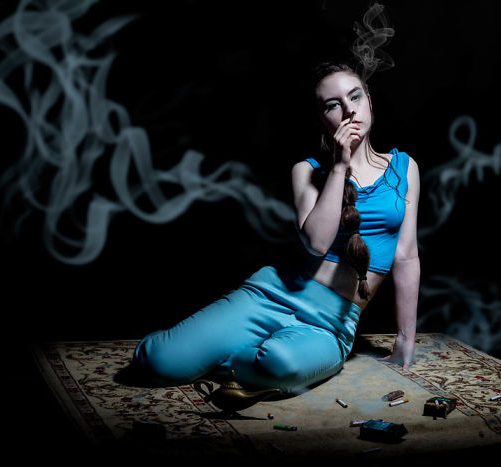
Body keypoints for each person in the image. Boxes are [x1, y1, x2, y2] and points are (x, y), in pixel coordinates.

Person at [130, 62, 421, 396]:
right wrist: (340, 166)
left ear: (369, 100)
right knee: (157, 362)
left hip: (331, 324)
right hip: (274, 295)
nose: (348, 110)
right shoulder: (306, 171)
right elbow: (317, 242)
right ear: (322, 119)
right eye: (332, 105)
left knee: (279, 365)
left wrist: (405, 338)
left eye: (355, 97)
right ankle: (213, 351)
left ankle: (231, 356)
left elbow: (406, 256)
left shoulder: (404, 168)